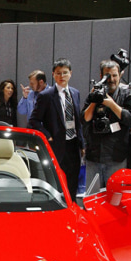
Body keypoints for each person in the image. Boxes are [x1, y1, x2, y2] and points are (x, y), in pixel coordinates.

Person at [29, 58, 84, 201]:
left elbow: (79, 121)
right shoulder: (46, 96)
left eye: (65, 73)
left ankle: (71, 208)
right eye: (58, 73)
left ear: (70, 73)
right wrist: (48, 136)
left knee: (73, 182)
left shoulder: (75, 93)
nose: (62, 76)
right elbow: (33, 121)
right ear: (53, 74)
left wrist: (82, 143)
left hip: (73, 144)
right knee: (55, 183)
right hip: (56, 145)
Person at [80, 60, 131, 189]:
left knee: (115, 198)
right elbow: (84, 119)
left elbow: (130, 120)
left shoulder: (128, 95)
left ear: (120, 75)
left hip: (116, 157)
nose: (111, 79)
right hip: (94, 156)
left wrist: (111, 104)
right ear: (101, 76)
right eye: (107, 76)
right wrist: (95, 100)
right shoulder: (93, 94)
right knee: (92, 197)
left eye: (114, 75)